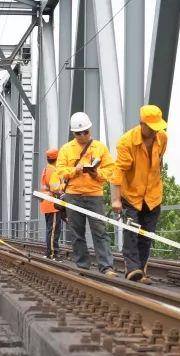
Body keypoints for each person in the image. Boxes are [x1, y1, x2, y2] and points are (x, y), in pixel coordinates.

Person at [110, 105, 168, 284]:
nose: (154, 131)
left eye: (157, 128)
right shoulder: (126, 142)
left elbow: (158, 161)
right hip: (132, 195)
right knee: (132, 232)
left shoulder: (162, 137)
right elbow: (118, 171)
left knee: (147, 234)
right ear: (141, 123)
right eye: (151, 127)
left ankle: (141, 270)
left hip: (153, 195)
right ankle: (132, 269)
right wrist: (116, 199)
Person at [56, 112, 117, 277]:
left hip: (94, 194)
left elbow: (111, 169)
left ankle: (106, 267)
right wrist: (74, 171)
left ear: (90, 130)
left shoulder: (99, 147)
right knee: (77, 232)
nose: (83, 135)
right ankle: (82, 266)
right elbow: (60, 170)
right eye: (78, 133)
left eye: (86, 132)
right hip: (73, 195)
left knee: (100, 231)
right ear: (73, 133)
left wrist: (97, 174)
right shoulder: (66, 149)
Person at [40, 148, 64, 260]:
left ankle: (48, 252)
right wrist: (64, 187)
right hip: (53, 204)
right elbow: (55, 188)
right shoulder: (54, 171)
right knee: (54, 230)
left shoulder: (45, 169)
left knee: (50, 229)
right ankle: (53, 253)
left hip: (46, 202)